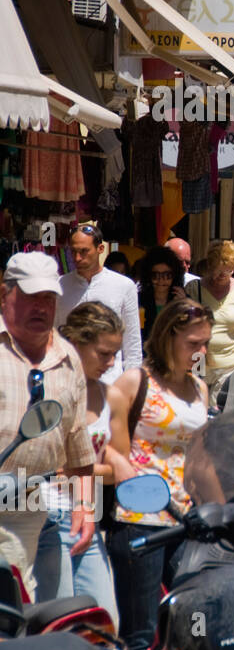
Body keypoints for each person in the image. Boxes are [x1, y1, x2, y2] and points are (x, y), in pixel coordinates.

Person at [106, 298, 212, 650]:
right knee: (141, 635)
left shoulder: (200, 388)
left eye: (205, 344)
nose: (200, 351)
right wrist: (120, 467)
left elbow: (201, 457)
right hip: (140, 520)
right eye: (193, 343)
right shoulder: (135, 382)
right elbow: (105, 446)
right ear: (168, 337)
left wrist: (223, 510)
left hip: (187, 521)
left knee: (193, 626)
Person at [0, 253, 95, 602]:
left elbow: (78, 445)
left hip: (30, 505)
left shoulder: (68, 358)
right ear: (4, 295)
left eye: (48, 299)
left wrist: (85, 508)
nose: (41, 307)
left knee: (20, 610)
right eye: (30, 297)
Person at [39, 302, 124, 625]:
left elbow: (119, 468)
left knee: (105, 626)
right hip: (45, 520)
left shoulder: (110, 395)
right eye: (104, 353)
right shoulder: (44, 387)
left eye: (115, 353)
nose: (112, 361)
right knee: (58, 627)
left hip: (90, 518)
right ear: (76, 343)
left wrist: (76, 469)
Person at [57, 224, 142, 385]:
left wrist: (132, 388)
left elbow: (132, 345)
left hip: (110, 383)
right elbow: (53, 337)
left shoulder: (124, 286)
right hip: (68, 382)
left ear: (100, 248)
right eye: (73, 252)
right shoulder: (59, 285)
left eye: (84, 251)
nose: (77, 258)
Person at [186, 242, 234, 396]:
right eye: (217, 272)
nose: (221, 277)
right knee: (198, 413)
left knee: (222, 414)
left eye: (227, 272)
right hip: (199, 363)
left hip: (231, 366)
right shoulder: (193, 288)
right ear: (209, 266)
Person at [135, 245, 186, 341]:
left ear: (175, 275)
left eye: (167, 275)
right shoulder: (138, 300)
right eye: (155, 275)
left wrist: (182, 306)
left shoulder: (184, 300)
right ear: (148, 276)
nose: (161, 280)